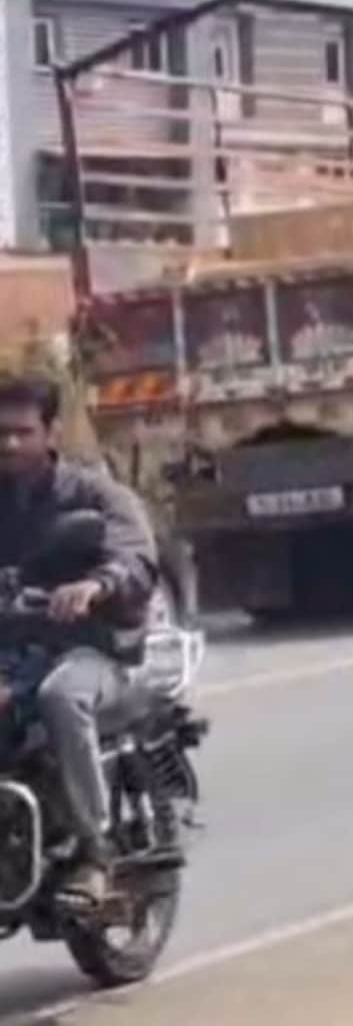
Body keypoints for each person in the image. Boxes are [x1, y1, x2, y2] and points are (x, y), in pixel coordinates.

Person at [0, 373, 159, 911]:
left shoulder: (94, 493)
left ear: (50, 434)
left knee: (60, 698)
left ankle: (98, 853)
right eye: (0, 433)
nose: (9, 444)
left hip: (95, 650)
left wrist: (98, 584)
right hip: (13, 650)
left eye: (22, 432)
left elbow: (136, 557)